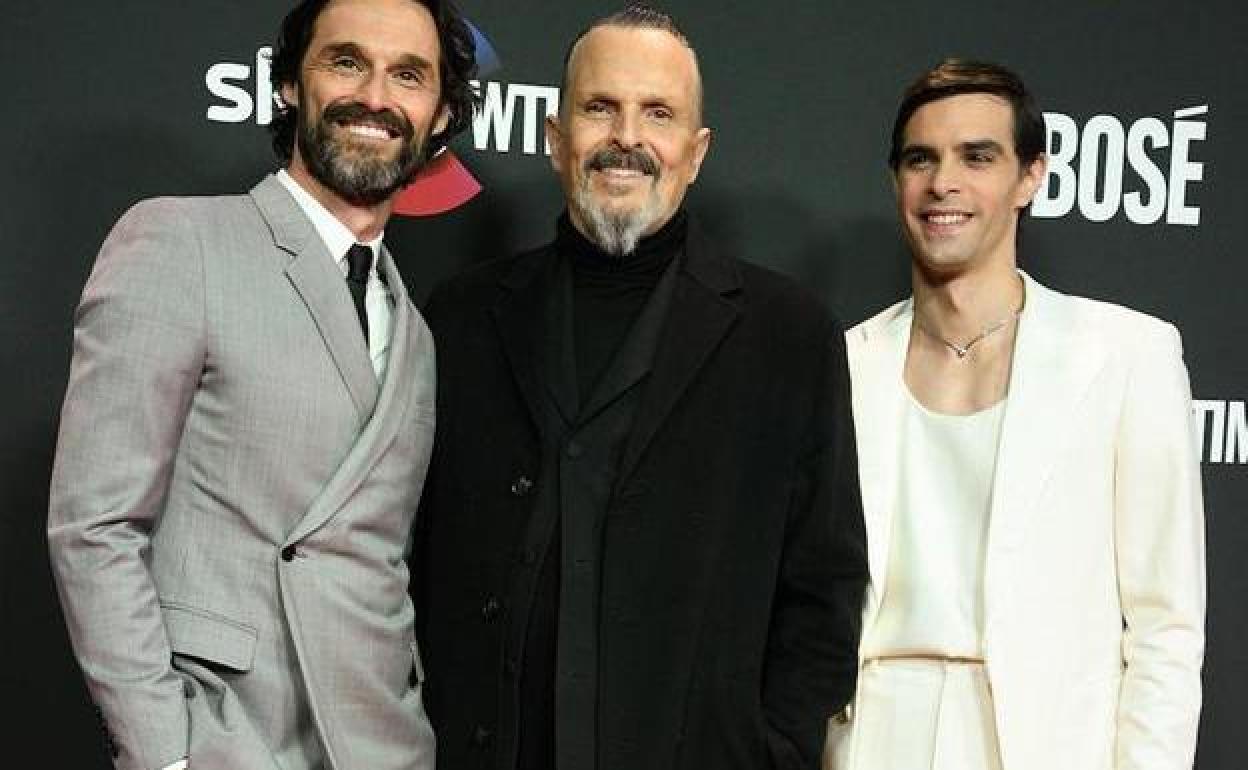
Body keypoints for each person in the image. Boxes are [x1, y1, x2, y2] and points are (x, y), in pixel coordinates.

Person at [415, 5, 867, 770]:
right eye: (600, 108)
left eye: (657, 114)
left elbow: (822, 589)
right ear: (557, 139)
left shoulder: (788, 334)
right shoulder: (460, 317)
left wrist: (770, 753)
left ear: (695, 153)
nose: (627, 138)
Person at [46, 1, 477, 768]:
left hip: (383, 742)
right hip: (226, 738)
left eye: (408, 75)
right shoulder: (183, 243)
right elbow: (95, 527)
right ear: (287, 85)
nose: (375, 96)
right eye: (346, 61)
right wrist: (164, 753)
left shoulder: (416, 328)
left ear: (440, 114)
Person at [827, 59, 1206, 770]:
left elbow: (1165, 629)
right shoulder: (845, 364)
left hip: (1041, 744)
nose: (944, 183)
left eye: (978, 156)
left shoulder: (1128, 357)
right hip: (872, 738)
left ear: (1031, 176)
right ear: (896, 181)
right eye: (921, 159)